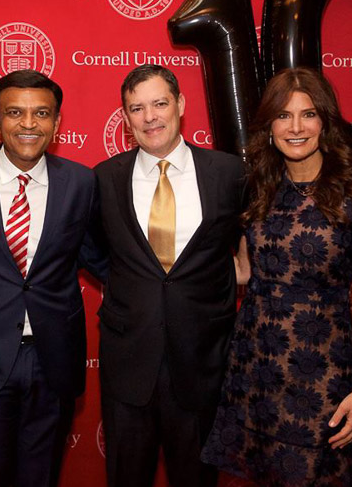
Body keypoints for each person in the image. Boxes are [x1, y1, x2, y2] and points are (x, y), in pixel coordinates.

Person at [201, 67, 352, 486]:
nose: (295, 127)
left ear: (324, 122)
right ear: (269, 126)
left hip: (322, 371)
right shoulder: (259, 189)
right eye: (283, 116)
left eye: (307, 115)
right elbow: (244, 271)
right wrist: (165, 261)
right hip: (256, 367)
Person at [0, 69, 105, 487]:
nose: (28, 123)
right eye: (14, 112)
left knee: (40, 476)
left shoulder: (81, 183)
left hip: (55, 360)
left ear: (57, 123)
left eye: (41, 113)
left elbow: (100, 258)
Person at [94, 64, 247, 487]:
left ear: (180, 104)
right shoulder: (105, 179)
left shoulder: (229, 173)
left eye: (160, 104)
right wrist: (130, 285)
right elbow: (92, 248)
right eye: (137, 108)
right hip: (129, 363)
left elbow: (244, 239)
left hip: (202, 360)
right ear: (125, 118)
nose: (150, 118)